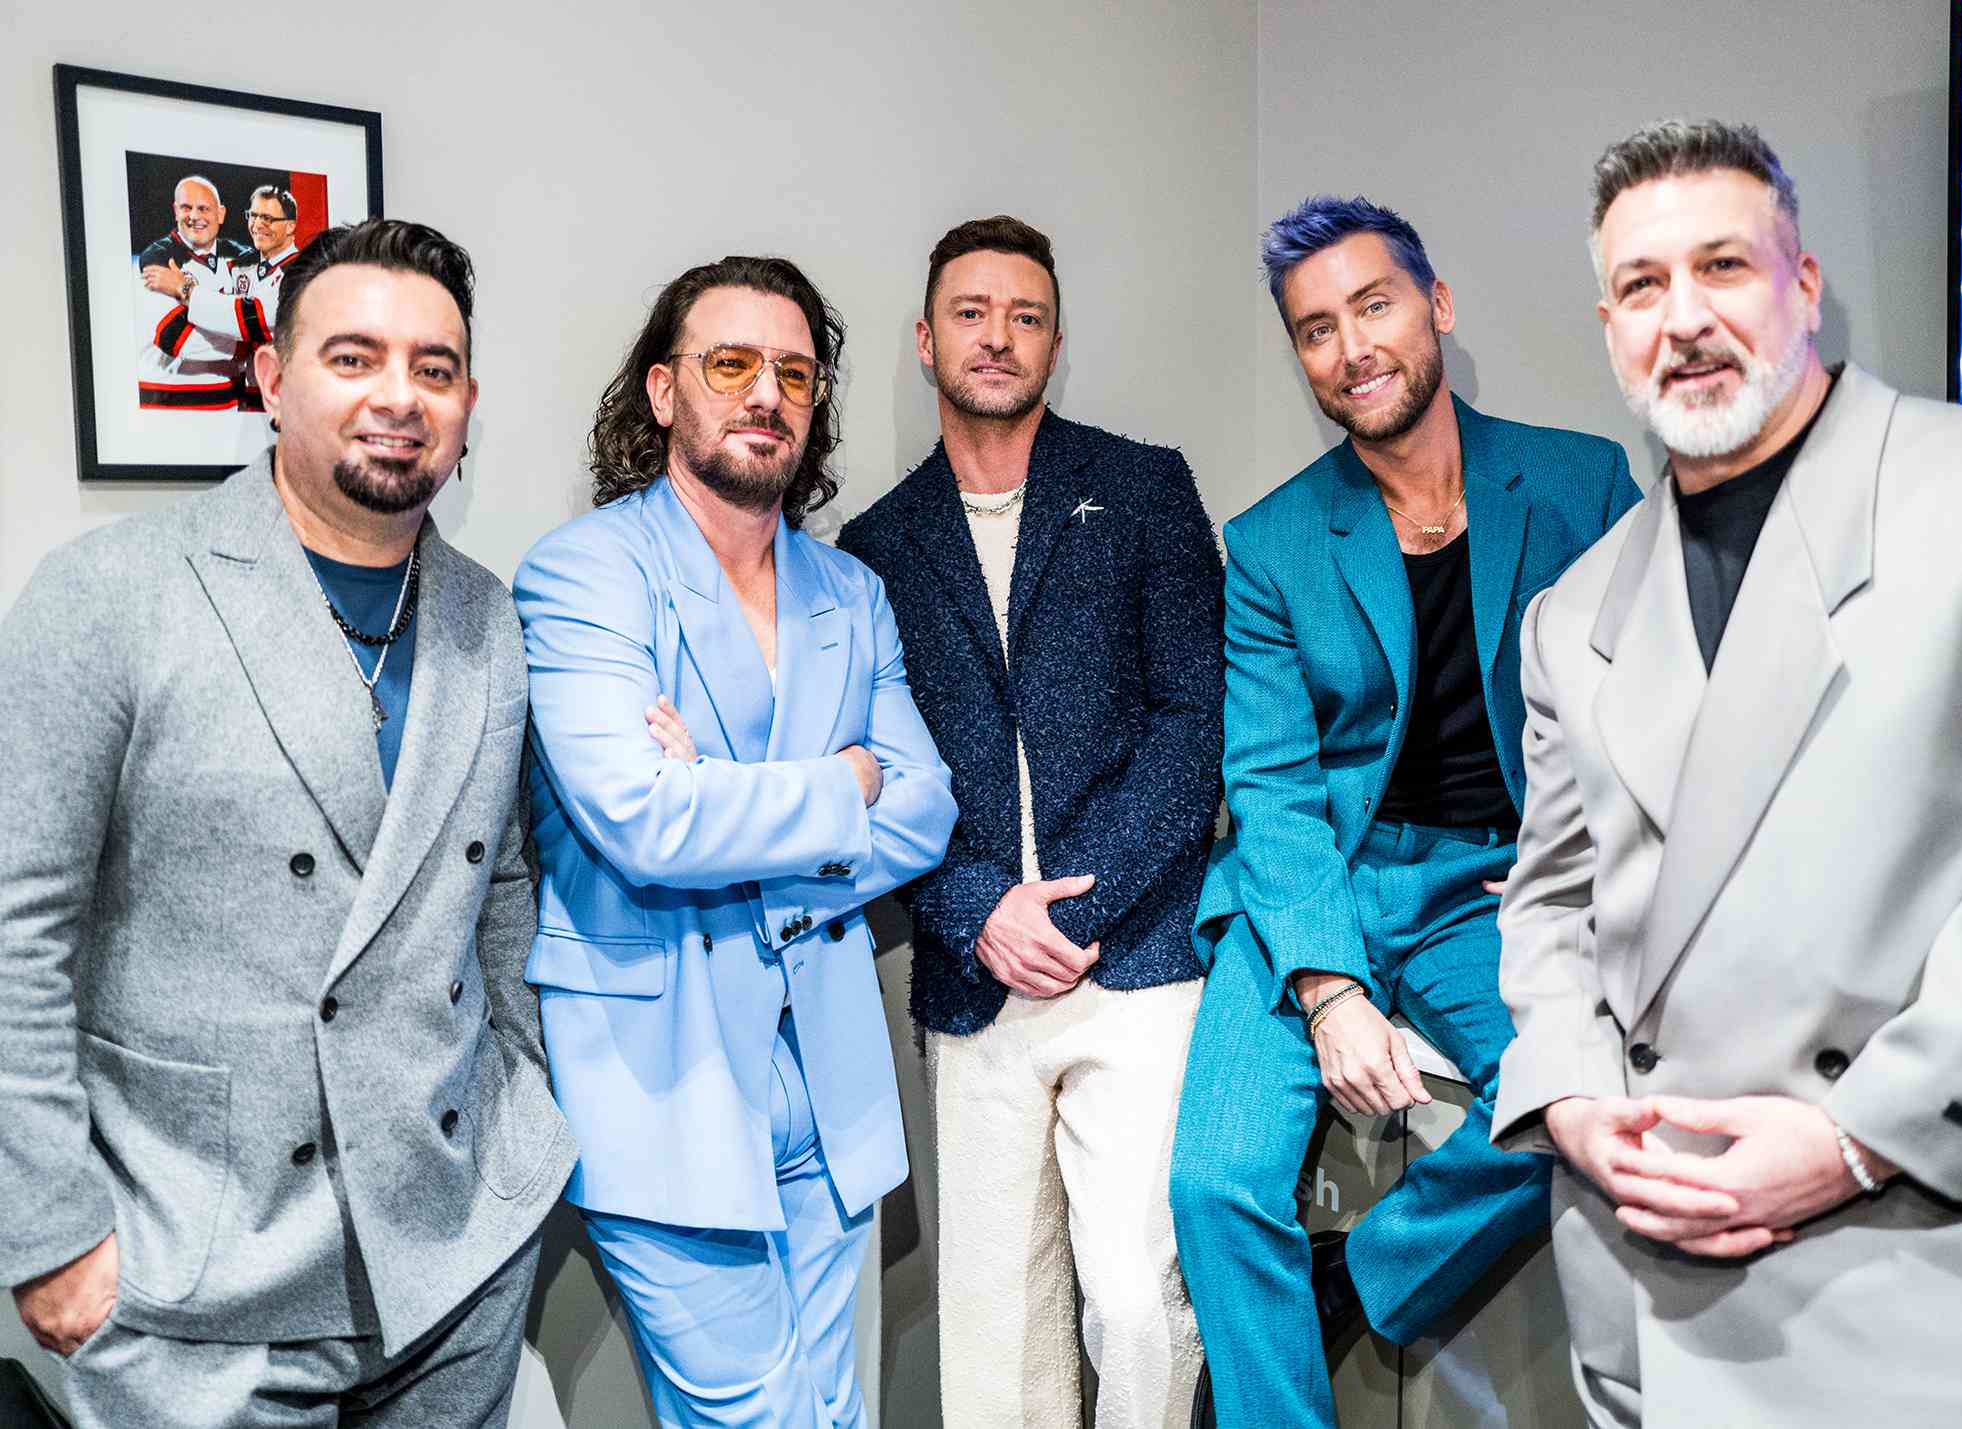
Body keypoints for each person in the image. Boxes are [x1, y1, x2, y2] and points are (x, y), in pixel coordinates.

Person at [1, 217, 576, 1428]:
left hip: (448, 1259)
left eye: (435, 367)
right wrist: (49, 1233)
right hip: (193, 1281)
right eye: (353, 356)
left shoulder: (489, 617)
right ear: (271, 379)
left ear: (468, 398)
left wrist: (523, 1109)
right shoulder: (111, 592)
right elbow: (14, 929)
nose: (399, 398)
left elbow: (505, 890)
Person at [1493, 118, 1962, 1429]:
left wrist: (1853, 1138)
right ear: (1609, 326)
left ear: (1806, 287)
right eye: (1644, 286)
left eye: (1724, 265)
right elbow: (1548, 905)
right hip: (1641, 1277)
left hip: (1916, 1258)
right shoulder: (1571, 613)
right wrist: (1568, 1099)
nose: (1685, 316)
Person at [1167, 195, 1638, 1425]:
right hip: (1309, 879)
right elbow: (1269, 785)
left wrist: (1569, 877)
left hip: (1485, 883)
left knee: (1563, 1104)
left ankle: (1362, 1275)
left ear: (1434, 307)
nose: (1350, 347)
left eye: (1370, 306)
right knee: (1214, 1184)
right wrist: (1327, 989)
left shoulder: (1581, 485)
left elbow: (1650, 715)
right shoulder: (1271, 541)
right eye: (1314, 330)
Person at [515, 255, 956, 1428]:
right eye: (730, 364)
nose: (766, 392)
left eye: (793, 373)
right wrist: (831, 786)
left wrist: (724, 789)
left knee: (836, 1413)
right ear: (663, 391)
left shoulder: (850, 590)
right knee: (752, 1418)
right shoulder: (583, 573)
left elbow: (924, 807)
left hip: (830, 1076)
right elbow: (643, 822)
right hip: (662, 1075)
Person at [839, 216, 1222, 1429]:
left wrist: (1075, 906)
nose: (996, 336)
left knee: (1137, 1304)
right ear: (924, 338)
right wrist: (975, 914)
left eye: (1024, 315)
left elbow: (1191, 722)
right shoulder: (874, 547)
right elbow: (879, 775)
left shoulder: (1144, 487)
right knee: (994, 1341)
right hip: (972, 980)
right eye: (970, 311)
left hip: (1138, 962)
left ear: (1053, 341)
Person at [177, 183, 300, 413]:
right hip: (246, 396)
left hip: (286, 401)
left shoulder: (302, 272)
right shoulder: (241, 265)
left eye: (268, 218)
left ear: (291, 226)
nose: (257, 225)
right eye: (253, 215)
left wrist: (185, 290)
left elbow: (249, 318)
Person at [135, 175, 251, 410]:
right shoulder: (156, 260)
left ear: (221, 214)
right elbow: (178, 339)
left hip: (230, 405)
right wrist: (248, 345)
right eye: (187, 208)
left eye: (203, 208)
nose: (195, 216)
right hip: (170, 403)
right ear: (175, 211)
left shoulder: (243, 259)